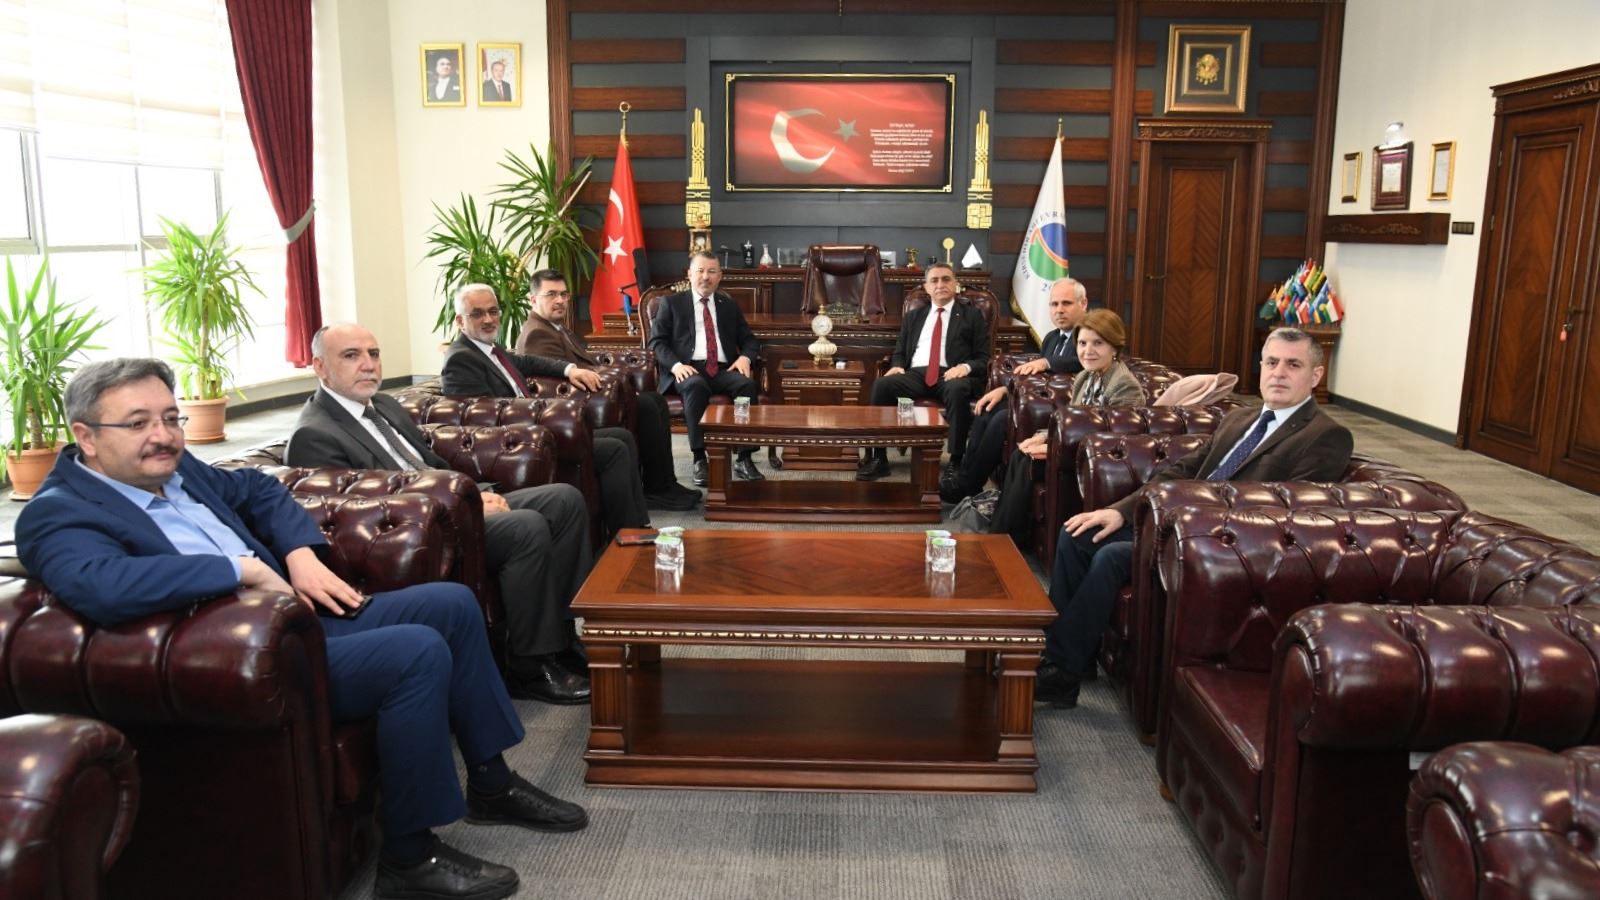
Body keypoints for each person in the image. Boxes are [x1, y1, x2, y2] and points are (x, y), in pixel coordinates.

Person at [17, 358, 586, 900]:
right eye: (138, 423)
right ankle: (410, 858)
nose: (163, 436)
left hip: (298, 617)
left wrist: (298, 553)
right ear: (86, 436)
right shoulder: (58, 512)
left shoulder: (177, 468)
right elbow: (100, 584)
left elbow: (260, 488)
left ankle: (491, 783)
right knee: (416, 651)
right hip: (248, 655)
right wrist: (238, 569)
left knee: (452, 605)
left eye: (171, 418)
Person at [1036, 327, 1355, 709]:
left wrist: (1197, 524)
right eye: (1271, 362)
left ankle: (1061, 674)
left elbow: (1293, 517)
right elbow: (1184, 469)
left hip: (1223, 544)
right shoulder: (1241, 418)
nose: (1279, 373)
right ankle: (1068, 658)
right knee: (1077, 534)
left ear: (1316, 375)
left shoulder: (1326, 436)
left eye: (1293, 365)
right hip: (1174, 521)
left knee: (1112, 557)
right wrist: (1120, 511)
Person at [287, 323, 594, 706]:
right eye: (351, 356)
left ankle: (561, 638)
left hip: (450, 504)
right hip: (420, 532)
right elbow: (364, 514)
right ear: (319, 366)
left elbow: (430, 464)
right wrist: (465, 507)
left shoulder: (383, 405)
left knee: (565, 500)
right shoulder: (315, 434)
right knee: (525, 527)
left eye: (373, 354)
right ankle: (531, 665)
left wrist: (476, 494)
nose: (368, 364)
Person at [440, 284, 651, 535]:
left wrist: (570, 370)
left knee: (622, 437)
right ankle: (626, 534)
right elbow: (481, 418)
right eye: (477, 314)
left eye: (493, 311)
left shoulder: (490, 349)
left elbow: (527, 361)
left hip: (534, 430)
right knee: (614, 449)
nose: (488, 319)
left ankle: (639, 526)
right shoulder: (462, 358)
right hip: (517, 443)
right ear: (460, 321)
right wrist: (542, 415)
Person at [514, 269, 699, 511]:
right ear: (533, 299)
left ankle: (664, 483)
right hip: (574, 410)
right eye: (551, 294)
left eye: (563, 294)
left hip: (591, 396)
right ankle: (657, 488)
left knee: (654, 400)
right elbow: (556, 387)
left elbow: (583, 363)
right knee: (646, 405)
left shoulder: (555, 326)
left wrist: (615, 380)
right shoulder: (537, 333)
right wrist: (613, 388)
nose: (560, 300)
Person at [984, 308, 1145, 546]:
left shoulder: (1124, 386)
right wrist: (1043, 437)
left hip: (1099, 462)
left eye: (1098, 343)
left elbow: (1114, 442)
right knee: (1021, 454)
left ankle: (1001, 539)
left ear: (1114, 348)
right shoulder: (1085, 377)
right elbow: (1072, 422)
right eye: (1082, 343)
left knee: (1027, 461)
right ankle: (1002, 536)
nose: (1087, 351)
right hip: (1075, 450)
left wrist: (1054, 448)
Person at [942, 276, 1088, 503]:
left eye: (1066, 303)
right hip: (1037, 400)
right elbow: (1037, 378)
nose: (1059, 310)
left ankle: (969, 484)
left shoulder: (1088, 335)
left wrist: (1047, 362)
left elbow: (1083, 361)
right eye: (1054, 304)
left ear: (1083, 304)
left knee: (1002, 419)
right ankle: (966, 480)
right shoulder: (1052, 338)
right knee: (986, 409)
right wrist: (1005, 389)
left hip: (1064, 408)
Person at [857, 262, 990, 481]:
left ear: (955, 284)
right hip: (916, 374)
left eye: (946, 279)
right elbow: (900, 351)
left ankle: (956, 461)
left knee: (957, 390)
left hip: (952, 374)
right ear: (926, 288)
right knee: (882, 385)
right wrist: (897, 365)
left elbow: (983, 358)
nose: (940, 284)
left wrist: (964, 367)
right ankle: (879, 458)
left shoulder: (971, 315)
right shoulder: (914, 316)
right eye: (934, 280)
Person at [648, 250, 764, 487]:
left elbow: (750, 341)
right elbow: (656, 343)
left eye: (712, 272)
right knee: (696, 386)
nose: (705, 277)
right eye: (700, 271)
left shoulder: (728, 305)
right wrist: (676, 366)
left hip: (722, 370)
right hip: (687, 369)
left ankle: (744, 458)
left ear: (719, 276)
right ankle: (700, 458)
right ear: (689, 274)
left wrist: (745, 358)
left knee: (746, 386)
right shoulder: (672, 304)